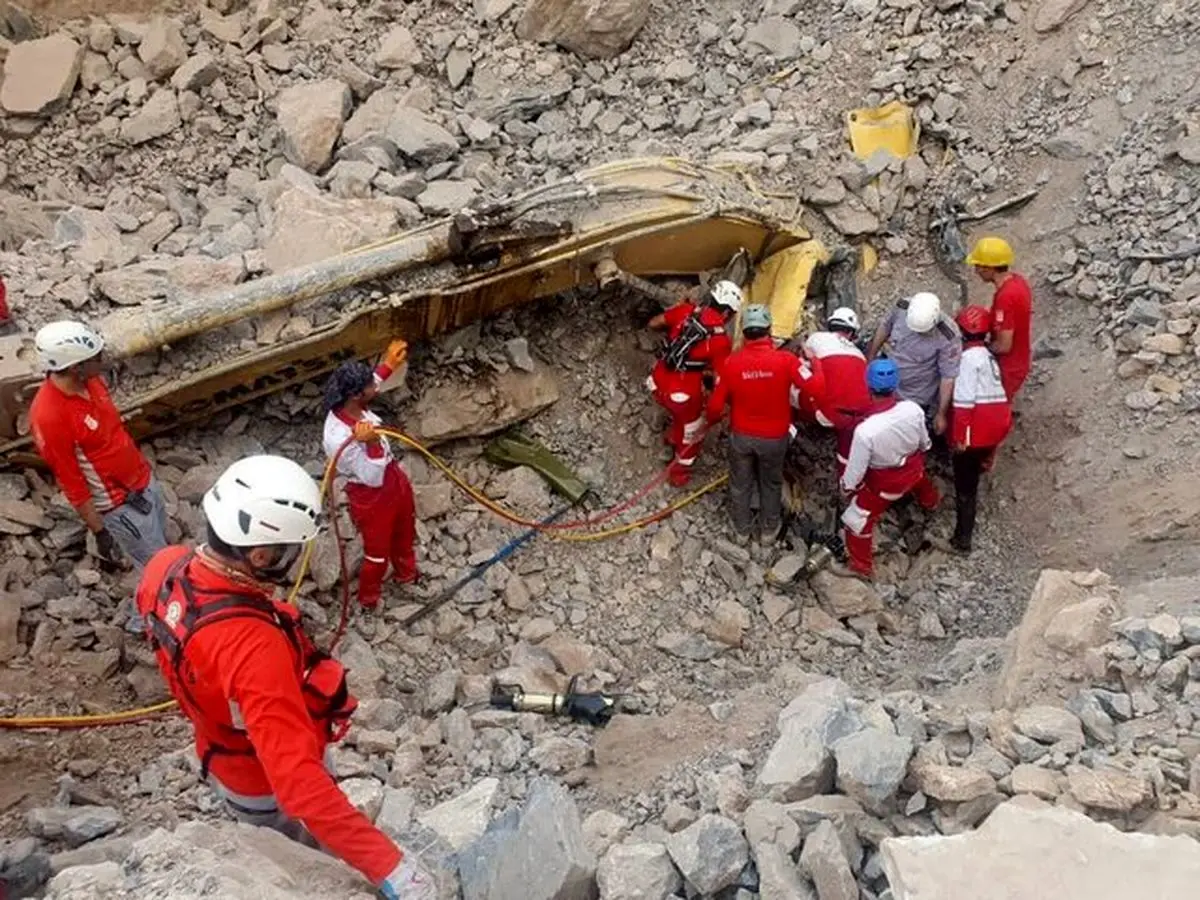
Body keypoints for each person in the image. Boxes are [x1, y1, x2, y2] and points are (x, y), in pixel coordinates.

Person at [136, 455, 434, 899]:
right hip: (263, 785)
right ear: (259, 554)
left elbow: (172, 650)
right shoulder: (255, 651)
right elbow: (300, 786)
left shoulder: (165, 567)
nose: (296, 561)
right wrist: (389, 866)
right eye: (290, 551)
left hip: (222, 755)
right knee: (316, 863)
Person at [29, 320, 168, 630]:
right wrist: (100, 530)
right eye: (94, 358)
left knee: (159, 554)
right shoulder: (49, 415)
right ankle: (140, 625)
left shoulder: (91, 383)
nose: (101, 362)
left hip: (142, 483)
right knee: (156, 566)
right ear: (75, 366)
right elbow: (72, 480)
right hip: (120, 504)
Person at [707, 305, 825, 544]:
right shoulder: (786, 361)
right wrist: (817, 363)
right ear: (769, 330)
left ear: (744, 331)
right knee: (770, 482)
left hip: (741, 436)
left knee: (740, 482)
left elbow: (715, 407)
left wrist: (710, 423)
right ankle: (768, 531)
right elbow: (816, 388)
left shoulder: (732, 364)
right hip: (774, 438)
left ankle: (741, 531)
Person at [322, 340, 417, 610]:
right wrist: (372, 443)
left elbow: (370, 385)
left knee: (405, 530)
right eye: (368, 387)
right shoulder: (338, 437)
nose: (374, 388)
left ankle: (407, 576)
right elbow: (370, 476)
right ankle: (368, 600)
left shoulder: (350, 402)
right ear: (355, 396)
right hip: (370, 494)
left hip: (392, 477)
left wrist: (388, 365)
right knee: (377, 553)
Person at [837, 359, 940, 580]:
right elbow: (925, 443)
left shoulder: (866, 431)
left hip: (885, 485)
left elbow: (855, 471)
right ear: (895, 385)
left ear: (868, 386)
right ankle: (931, 503)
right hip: (914, 470)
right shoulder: (913, 409)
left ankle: (860, 566)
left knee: (855, 521)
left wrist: (846, 488)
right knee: (921, 481)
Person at [647, 280, 741, 487]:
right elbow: (720, 380)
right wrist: (718, 410)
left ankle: (671, 436)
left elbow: (654, 323)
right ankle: (679, 474)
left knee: (679, 414)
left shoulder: (686, 311)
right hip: (681, 395)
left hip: (656, 381)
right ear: (728, 313)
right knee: (693, 433)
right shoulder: (719, 340)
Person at [949, 306, 1013, 554]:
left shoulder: (968, 360)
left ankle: (962, 540)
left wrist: (959, 438)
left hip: (976, 430)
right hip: (995, 427)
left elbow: (964, 402)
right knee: (974, 473)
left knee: (965, 487)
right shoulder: (988, 357)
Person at [866, 292, 961, 437]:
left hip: (916, 394)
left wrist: (941, 413)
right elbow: (884, 327)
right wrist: (870, 357)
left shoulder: (948, 336)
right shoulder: (902, 307)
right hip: (889, 381)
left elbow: (948, 377)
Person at [803, 307, 870, 480]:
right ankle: (847, 478)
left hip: (829, 414)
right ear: (850, 332)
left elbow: (805, 359)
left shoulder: (816, 338)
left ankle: (796, 423)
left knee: (800, 369)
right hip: (859, 419)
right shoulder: (860, 355)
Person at [965, 236, 1033, 401]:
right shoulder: (1018, 282)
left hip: (1007, 368)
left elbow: (1003, 346)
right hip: (1019, 360)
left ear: (989, 268)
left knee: (993, 410)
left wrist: (978, 349)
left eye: (978, 266)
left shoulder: (1006, 297)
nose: (976, 271)